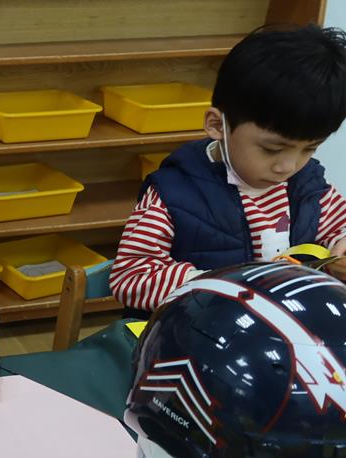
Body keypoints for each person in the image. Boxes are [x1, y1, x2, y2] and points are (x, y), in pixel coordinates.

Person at [109, 25, 346, 317]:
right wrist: (223, 287)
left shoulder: (309, 186)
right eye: (271, 149)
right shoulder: (173, 195)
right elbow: (130, 277)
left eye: (309, 149)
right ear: (216, 125)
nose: (288, 166)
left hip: (279, 328)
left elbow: (339, 229)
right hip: (195, 330)